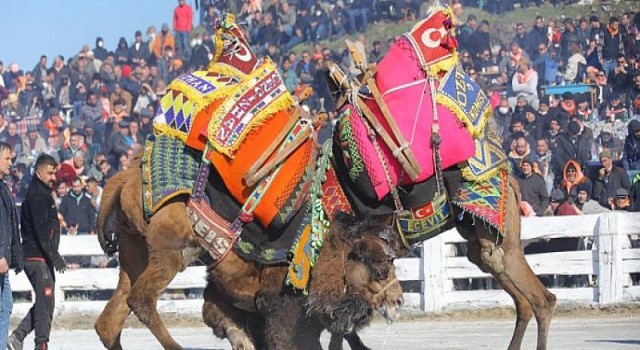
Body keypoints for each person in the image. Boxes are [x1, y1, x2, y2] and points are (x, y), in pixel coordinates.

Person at [8, 154, 66, 350]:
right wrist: (54, 255)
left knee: (46, 302)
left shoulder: (41, 192)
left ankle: (17, 337)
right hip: (37, 256)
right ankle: (40, 345)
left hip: (41, 256)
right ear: (39, 172)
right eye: (50, 173)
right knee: (44, 304)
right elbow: (41, 230)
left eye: (55, 173)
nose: (53, 177)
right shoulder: (38, 195)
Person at [0, 142, 23, 349]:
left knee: (5, 306)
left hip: (4, 258)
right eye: (7, 158)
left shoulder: (3, 186)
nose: (10, 163)